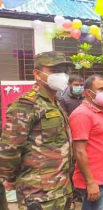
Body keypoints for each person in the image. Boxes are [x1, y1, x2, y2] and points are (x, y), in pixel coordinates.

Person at [0, 51, 74, 210]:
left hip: (62, 188)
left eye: (64, 71)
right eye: (54, 71)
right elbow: (9, 148)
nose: (61, 76)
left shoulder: (56, 103)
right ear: (37, 74)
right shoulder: (26, 104)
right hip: (38, 193)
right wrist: (10, 178)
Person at [69, 74, 103, 210]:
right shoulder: (82, 115)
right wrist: (91, 182)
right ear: (88, 93)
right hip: (95, 180)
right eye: (101, 89)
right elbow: (79, 151)